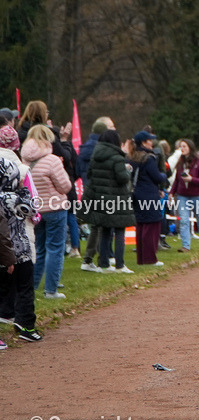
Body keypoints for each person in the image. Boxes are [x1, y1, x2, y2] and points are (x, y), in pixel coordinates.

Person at [21, 125, 72, 297]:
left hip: (35, 210)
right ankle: (51, 289)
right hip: (54, 208)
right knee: (55, 249)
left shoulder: (23, 161)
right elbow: (65, 186)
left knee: (39, 249)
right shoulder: (52, 160)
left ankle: (32, 286)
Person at [80, 129, 135, 272]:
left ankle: (103, 264)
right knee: (119, 231)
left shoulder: (95, 157)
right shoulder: (117, 157)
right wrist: (127, 170)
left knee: (104, 230)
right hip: (117, 198)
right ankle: (120, 264)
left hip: (100, 198)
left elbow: (90, 175)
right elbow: (122, 178)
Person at [0, 157, 42, 341]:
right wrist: (25, 193)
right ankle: (26, 325)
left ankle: (7, 313)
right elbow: (33, 210)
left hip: (3, 251)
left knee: (5, 288)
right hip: (20, 250)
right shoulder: (14, 198)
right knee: (25, 288)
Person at [78, 117, 115, 270]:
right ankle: (104, 259)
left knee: (95, 225)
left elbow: (79, 171)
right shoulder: (102, 149)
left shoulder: (84, 149)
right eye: (111, 127)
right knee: (105, 225)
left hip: (89, 189)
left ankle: (89, 259)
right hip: (102, 190)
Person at [128, 131, 167, 266]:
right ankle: (150, 259)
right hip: (149, 195)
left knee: (141, 226)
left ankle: (142, 258)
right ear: (144, 142)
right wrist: (163, 176)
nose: (152, 142)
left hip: (136, 195)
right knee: (152, 225)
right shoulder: (148, 158)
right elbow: (156, 177)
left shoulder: (132, 157)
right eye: (150, 140)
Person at [169, 139, 199, 253]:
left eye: (184, 146)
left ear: (190, 147)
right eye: (181, 147)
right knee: (184, 220)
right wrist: (172, 192)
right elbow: (177, 179)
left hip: (197, 195)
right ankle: (186, 246)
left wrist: (192, 179)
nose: (182, 149)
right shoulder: (180, 162)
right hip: (182, 195)